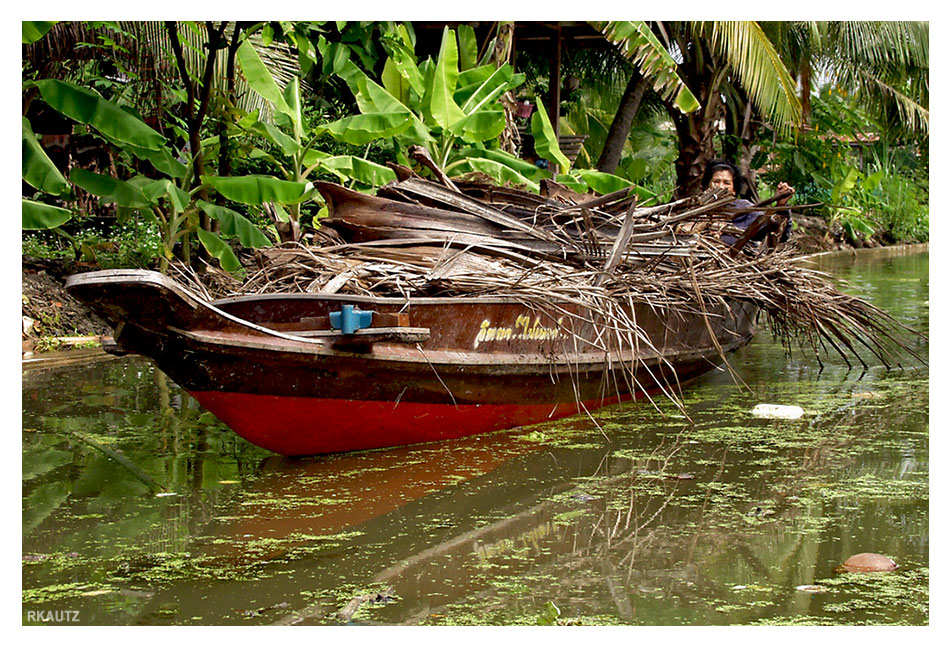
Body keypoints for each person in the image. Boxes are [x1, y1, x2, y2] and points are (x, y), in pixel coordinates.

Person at [700, 159, 795, 246]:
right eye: (716, 181)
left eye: (727, 183)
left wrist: (781, 206)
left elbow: (779, 233)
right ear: (707, 186)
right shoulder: (696, 210)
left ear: (734, 190)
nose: (720, 186)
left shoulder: (745, 210)